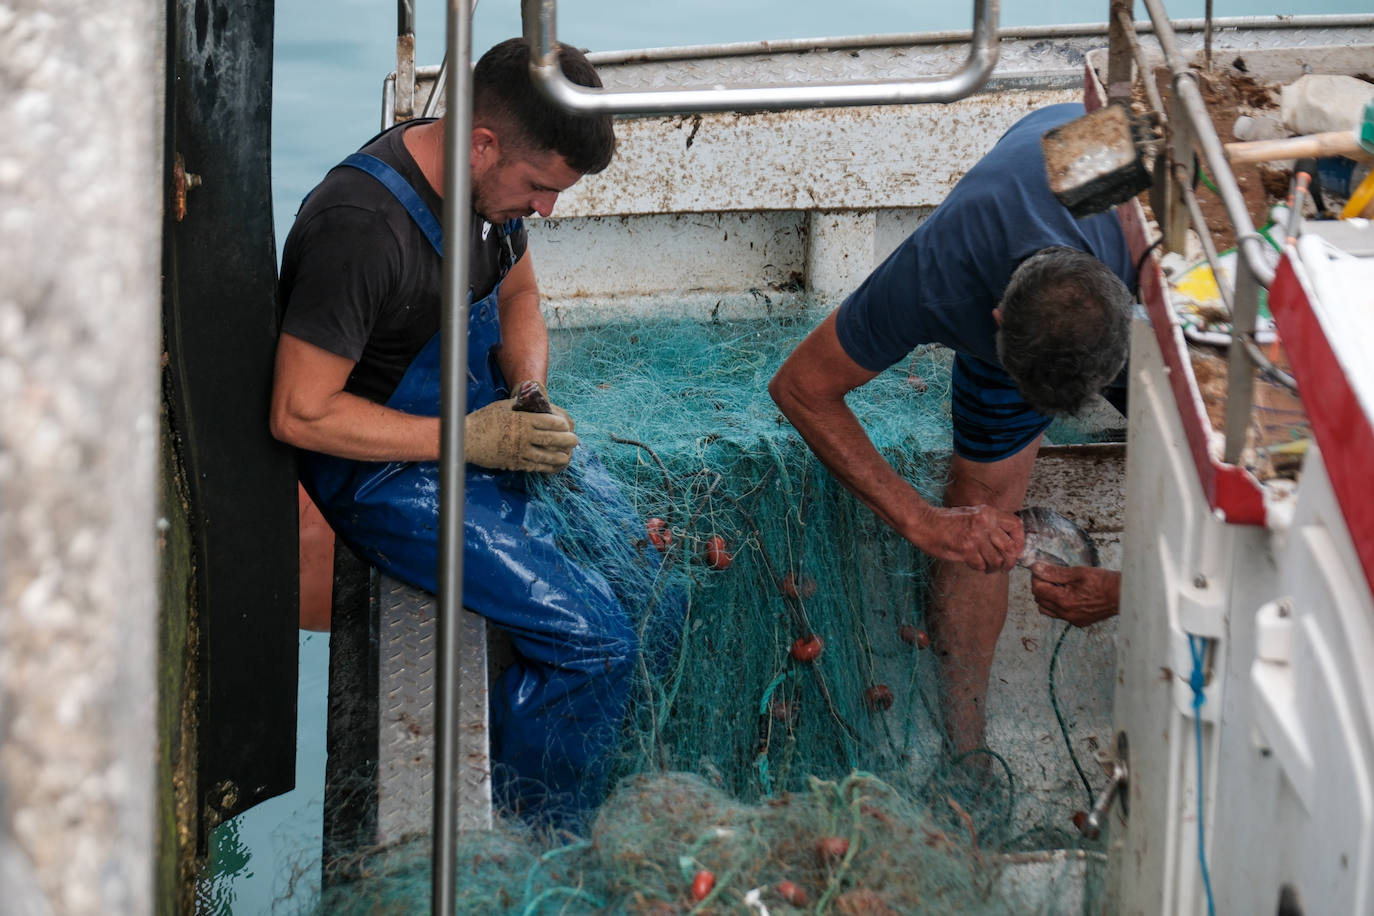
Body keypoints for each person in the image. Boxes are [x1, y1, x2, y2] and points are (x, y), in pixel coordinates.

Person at [270, 37, 641, 828]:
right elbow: (299, 412)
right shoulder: (360, 228)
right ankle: (536, 837)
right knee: (596, 643)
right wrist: (466, 442)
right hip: (377, 473)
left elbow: (519, 301)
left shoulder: (490, 200)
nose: (546, 209)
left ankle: (589, 751)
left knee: (648, 567)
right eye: (540, 188)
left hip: (480, 415)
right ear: (482, 143)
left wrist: (529, 391)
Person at [768, 103, 1131, 759]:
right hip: (1022, 234)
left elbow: (1243, 496)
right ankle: (968, 756)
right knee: (981, 508)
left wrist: (1131, 593)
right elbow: (800, 386)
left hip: (1125, 261)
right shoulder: (941, 269)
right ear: (992, 318)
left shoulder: (1149, 232)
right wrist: (921, 520)